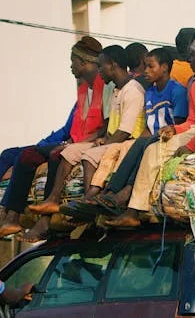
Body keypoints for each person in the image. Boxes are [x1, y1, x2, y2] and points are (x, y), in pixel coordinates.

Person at [106, 34, 195, 228]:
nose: (188, 60)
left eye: (192, 56)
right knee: (154, 149)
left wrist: (190, 146)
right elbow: (192, 122)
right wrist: (173, 130)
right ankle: (134, 210)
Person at [0, 36, 113, 239]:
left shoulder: (106, 86)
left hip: (87, 143)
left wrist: (73, 143)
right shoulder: (83, 90)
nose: (70, 67)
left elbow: (105, 126)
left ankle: (44, 221)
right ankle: (11, 217)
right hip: (74, 141)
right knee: (25, 156)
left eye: (72, 62)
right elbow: (71, 128)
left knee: (56, 155)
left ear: (83, 63)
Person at [22, 44, 145, 241]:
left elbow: (125, 131)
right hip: (111, 139)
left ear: (113, 65)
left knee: (90, 156)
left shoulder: (132, 90)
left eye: (102, 66)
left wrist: (104, 143)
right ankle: (54, 199)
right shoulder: (115, 90)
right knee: (68, 153)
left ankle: (90, 202)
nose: (100, 71)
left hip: (126, 141)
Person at [70, 47, 189, 215]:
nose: (146, 71)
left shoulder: (177, 91)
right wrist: (138, 142)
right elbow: (149, 126)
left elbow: (179, 123)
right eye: (145, 66)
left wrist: (142, 142)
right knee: (127, 147)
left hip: (169, 136)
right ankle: (106, 193)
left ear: (164, 68)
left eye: (151, 66)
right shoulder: (150, 93)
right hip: (152, 136)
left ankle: (124, 192)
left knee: (140, 148)